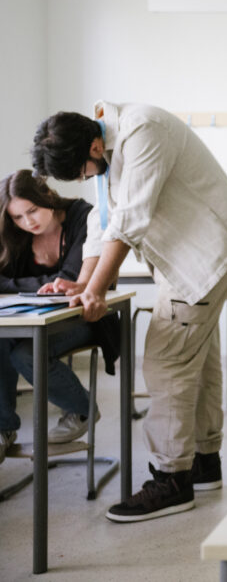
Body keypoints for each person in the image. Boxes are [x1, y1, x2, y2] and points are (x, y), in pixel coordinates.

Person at [31, 102, 227, 522]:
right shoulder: (104, 145)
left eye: (81, 172)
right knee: (197, 358)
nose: (85, 178)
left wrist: (97, 291)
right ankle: (204, 462)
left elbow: (129, 219)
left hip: (202, 256)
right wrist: (83, 282)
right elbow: (104, 217)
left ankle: (172, 480)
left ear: (95, 145)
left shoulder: (143, 131)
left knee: (166, 361)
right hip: (194, 255)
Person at [0, 171, 118, 462]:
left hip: (86, 317)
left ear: (47, 197)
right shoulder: (16, 235)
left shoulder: (82, 217)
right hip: (35, 319)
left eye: (32, 210)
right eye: (18, 217)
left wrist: (33, 285)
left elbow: (72, 280)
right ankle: (3, 429)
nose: (29, 222)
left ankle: (82, 410)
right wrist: (45, 285)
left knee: (25, 355)